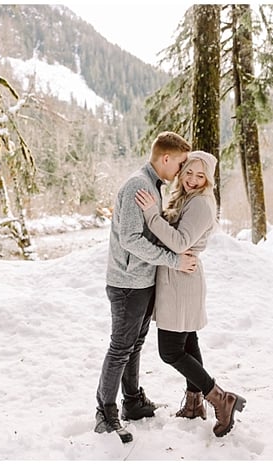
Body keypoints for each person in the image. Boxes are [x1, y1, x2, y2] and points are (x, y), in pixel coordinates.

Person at [94, 131, 200, 443]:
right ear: (165, 158)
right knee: (120, 347)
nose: (181, 171)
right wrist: (173, 260)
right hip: (127, 284)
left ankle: (133, 402)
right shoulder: (138, 184)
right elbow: (130, 238)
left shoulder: (152, 185)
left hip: (141, 282)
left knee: (134, 345)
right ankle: (105, 413)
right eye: (180, 164)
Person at [135, 150, 246, 437]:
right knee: (188, 343)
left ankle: (220, 398)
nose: (193, 180)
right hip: (180, 276)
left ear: (208, 179)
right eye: (189, 173)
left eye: (201, 175)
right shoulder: (187, 198)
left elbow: (180, 241)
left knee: (170, 351)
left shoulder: (201, 204)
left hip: (182, 279)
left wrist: (151, 215)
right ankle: (195, 403)